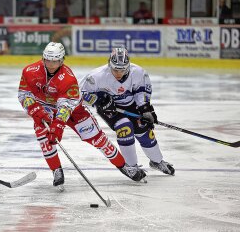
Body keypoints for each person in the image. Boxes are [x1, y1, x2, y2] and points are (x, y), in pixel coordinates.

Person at [18, 42, 147, 191]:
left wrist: (58, 126)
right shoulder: (29, 71)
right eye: (48, 60)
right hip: (45, 108)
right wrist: (35, 111)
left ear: (61, 60)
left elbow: (65, 107)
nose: (51, 65)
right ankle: (57, 171)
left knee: (98, 139)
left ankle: (124, 167)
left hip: (74, 111)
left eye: (55, 61)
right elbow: (24, 94)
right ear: (43, 58)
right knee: (44, 137)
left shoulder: (68, 78)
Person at [79, 47, 175, 177]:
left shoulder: (139, 72)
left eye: (122, 69)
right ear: (109, 65)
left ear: (128, 66)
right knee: (125, 128)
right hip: (110, 109)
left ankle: (157, 161)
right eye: (115, 69)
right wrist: (99, 100)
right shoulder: (96, 76)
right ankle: (131, 167)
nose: (119, 73)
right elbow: (80, 94)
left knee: (144, 130)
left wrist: (145, 109)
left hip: (131, 105)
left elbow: (141, 92)